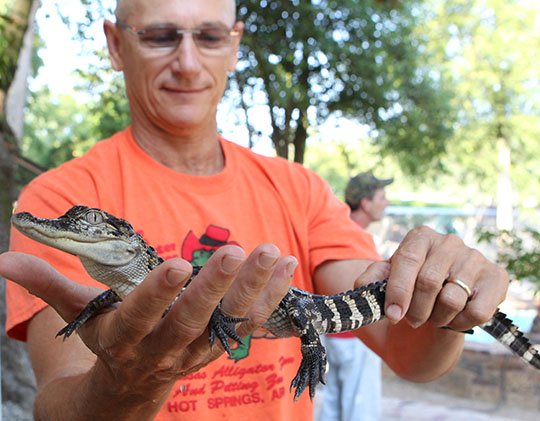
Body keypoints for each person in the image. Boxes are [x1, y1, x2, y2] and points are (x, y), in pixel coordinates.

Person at [0, 1, 509, 420]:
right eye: (160, 35)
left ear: (235, 45)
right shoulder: (60, 195)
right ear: (115, 43)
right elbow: (57, 404)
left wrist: (444, 298)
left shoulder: (299, 188)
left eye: (210, 36)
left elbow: (406, 349)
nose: (187, 62)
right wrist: (125, 382)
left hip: (305, 311)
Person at [315, 172, 392, 421]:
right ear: (366, 203)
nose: (386, 202)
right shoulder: (353, 236)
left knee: (334, 405)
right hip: (358, 336)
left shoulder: (334, 228)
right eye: (382, 196)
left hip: (334, 337)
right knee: (360, 409)